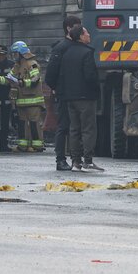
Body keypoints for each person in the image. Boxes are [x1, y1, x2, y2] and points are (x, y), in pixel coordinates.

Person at [47, 24, 103, 172]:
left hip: (69, 97)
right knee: (88, 129)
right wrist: (97, 90)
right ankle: (88, 161)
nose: (89, 36)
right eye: (87, 34)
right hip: (85, 97)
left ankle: (76, 162)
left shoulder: (66, 52)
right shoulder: (87, 53)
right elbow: (90, 76)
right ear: (80, 36)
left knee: (74, 129)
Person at [46, 15, 81, 171]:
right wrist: (57, 88)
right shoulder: (61, 48)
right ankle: (60, 159)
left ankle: (76, 159)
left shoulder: (77, 46)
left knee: (75, 127)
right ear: (69, 28)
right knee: (63, 126)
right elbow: (50, 74)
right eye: (77, 26)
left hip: (77, 94)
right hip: (65, 94)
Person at [9, 41, 45, 153]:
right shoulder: (17, 66)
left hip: (33, 100)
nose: (14, 56)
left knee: (34, 123)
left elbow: (35, 79)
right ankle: (23, 146)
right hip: (21, 101)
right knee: (22, 123)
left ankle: (37, 146)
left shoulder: (32, 64)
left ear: (21, 53)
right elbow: (10, 78)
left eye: (15, 53)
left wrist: (22, 82)